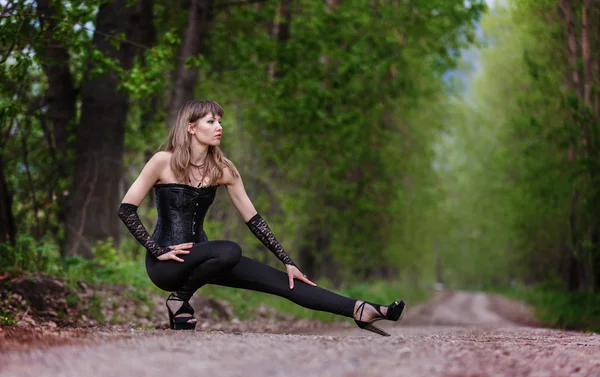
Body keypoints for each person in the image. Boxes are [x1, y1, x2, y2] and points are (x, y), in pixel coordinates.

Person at [118, 100, 405, 336]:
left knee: (285, 282)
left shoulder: (223, 169)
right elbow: (126, 210)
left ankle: (361, 309)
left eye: (220, 121)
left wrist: (288, 261)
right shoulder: (162, 162)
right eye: (211, 121)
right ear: (190, 128)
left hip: (207, 260)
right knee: (230, 248)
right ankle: (179, 299)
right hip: (165, 264)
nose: (219, 127)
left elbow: (254, 220)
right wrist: (158, 251)